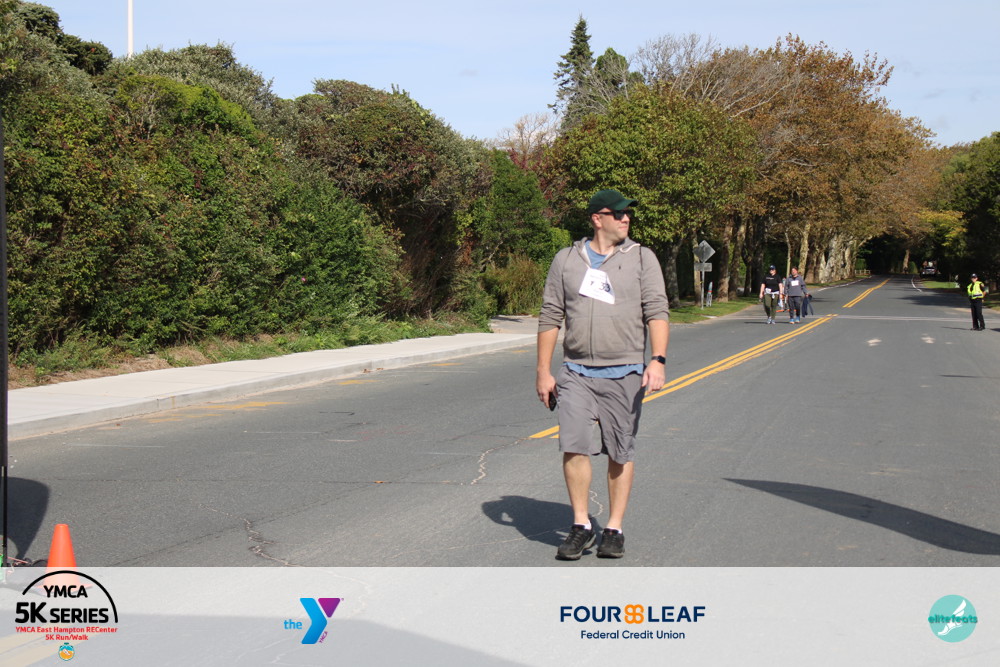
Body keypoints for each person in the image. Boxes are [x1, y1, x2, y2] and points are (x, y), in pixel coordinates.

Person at [536, 189, 670, 560]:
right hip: (576, 371)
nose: (626, 219)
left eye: (628, 214)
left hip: (625, 372)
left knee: (619, 450)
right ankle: (581, 525)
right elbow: (550, 316)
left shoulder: (641, 257)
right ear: (597, 219)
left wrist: (657, 359)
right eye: (619, 214)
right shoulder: (566, 260)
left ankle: (614, 529)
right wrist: (543, 371)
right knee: (574, 445)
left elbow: (657, 310)